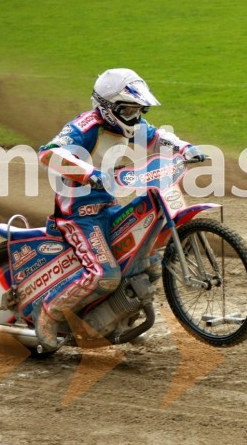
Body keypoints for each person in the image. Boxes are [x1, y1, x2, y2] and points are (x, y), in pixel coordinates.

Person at [34, 68, 205, 351]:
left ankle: (118, 317)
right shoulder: (85, 127)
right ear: (108, 107)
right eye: (127, 109)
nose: (134, 116)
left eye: (138, 109)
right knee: (104, 274)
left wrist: (185, 147)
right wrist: (89, 173)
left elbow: (158, 137)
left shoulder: (132, 125)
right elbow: (49, 153)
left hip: (111, 207)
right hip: (79, 217)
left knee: (147, 262)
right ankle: (48, 315)